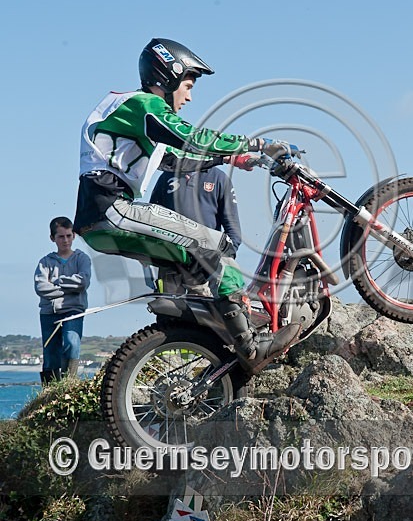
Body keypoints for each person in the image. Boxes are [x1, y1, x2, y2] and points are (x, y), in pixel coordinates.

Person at [73, 37, 300, 373]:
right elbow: (189, 137)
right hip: (112, 209)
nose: (190, 96)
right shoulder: (144, 105)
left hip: (99, 220)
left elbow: (176, 160)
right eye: (189, 85)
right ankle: (250, 346)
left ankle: (206, 335)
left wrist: (232, 158)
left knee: (194, 259)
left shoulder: (135, 116)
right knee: (216, 244)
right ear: (170, 75)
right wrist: (259, 143)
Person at [149, 162, 241, 294]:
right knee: (169, 309)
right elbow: (151, 217)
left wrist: (221, 261)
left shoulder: (219, 178)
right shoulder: (166, 176)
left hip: (205, 263)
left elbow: (233, 230)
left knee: (204, 310)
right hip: (171, 260)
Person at [34, 217, 91, 383]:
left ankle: (68, 384)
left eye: (68, 235)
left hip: (73, 311)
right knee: (50, 355)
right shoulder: (45, 262)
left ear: (73, 235)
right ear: (52, 238)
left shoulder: (82, 259)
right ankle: (50, 392)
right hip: (48, 313)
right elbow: (41, 288)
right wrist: (68, 289)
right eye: (61, 236)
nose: (65, 240)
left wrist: (57, 282)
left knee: (72, 344)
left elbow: (83, 282)